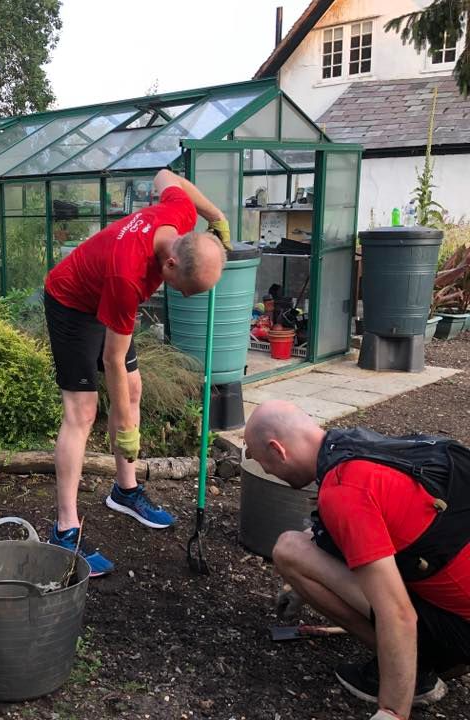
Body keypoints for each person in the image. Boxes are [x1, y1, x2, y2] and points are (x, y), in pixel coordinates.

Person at [43, 168, 230, 575]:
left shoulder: (178, 216)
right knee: (83, 411)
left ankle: (124, 490)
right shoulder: (129, 276)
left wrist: (216, 216)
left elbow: (167, 176)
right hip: (72, 302)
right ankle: (65, 529)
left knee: (134, 388)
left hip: (102, 298)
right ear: (171, 262)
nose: (182, 295)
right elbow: (112, 359)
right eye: (184, 287)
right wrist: (127, 429)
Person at [245, 400, 470, 720]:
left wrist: (391, 711)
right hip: (455, 591)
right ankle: (439, 652)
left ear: (278, 450)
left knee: (289, 550)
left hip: (461, 628)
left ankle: (418, 668)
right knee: (309, 542)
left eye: (267, 464)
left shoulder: (343, 488)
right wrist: (300, 590)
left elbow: (398, 614)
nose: (270, 472)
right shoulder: (358, 444)